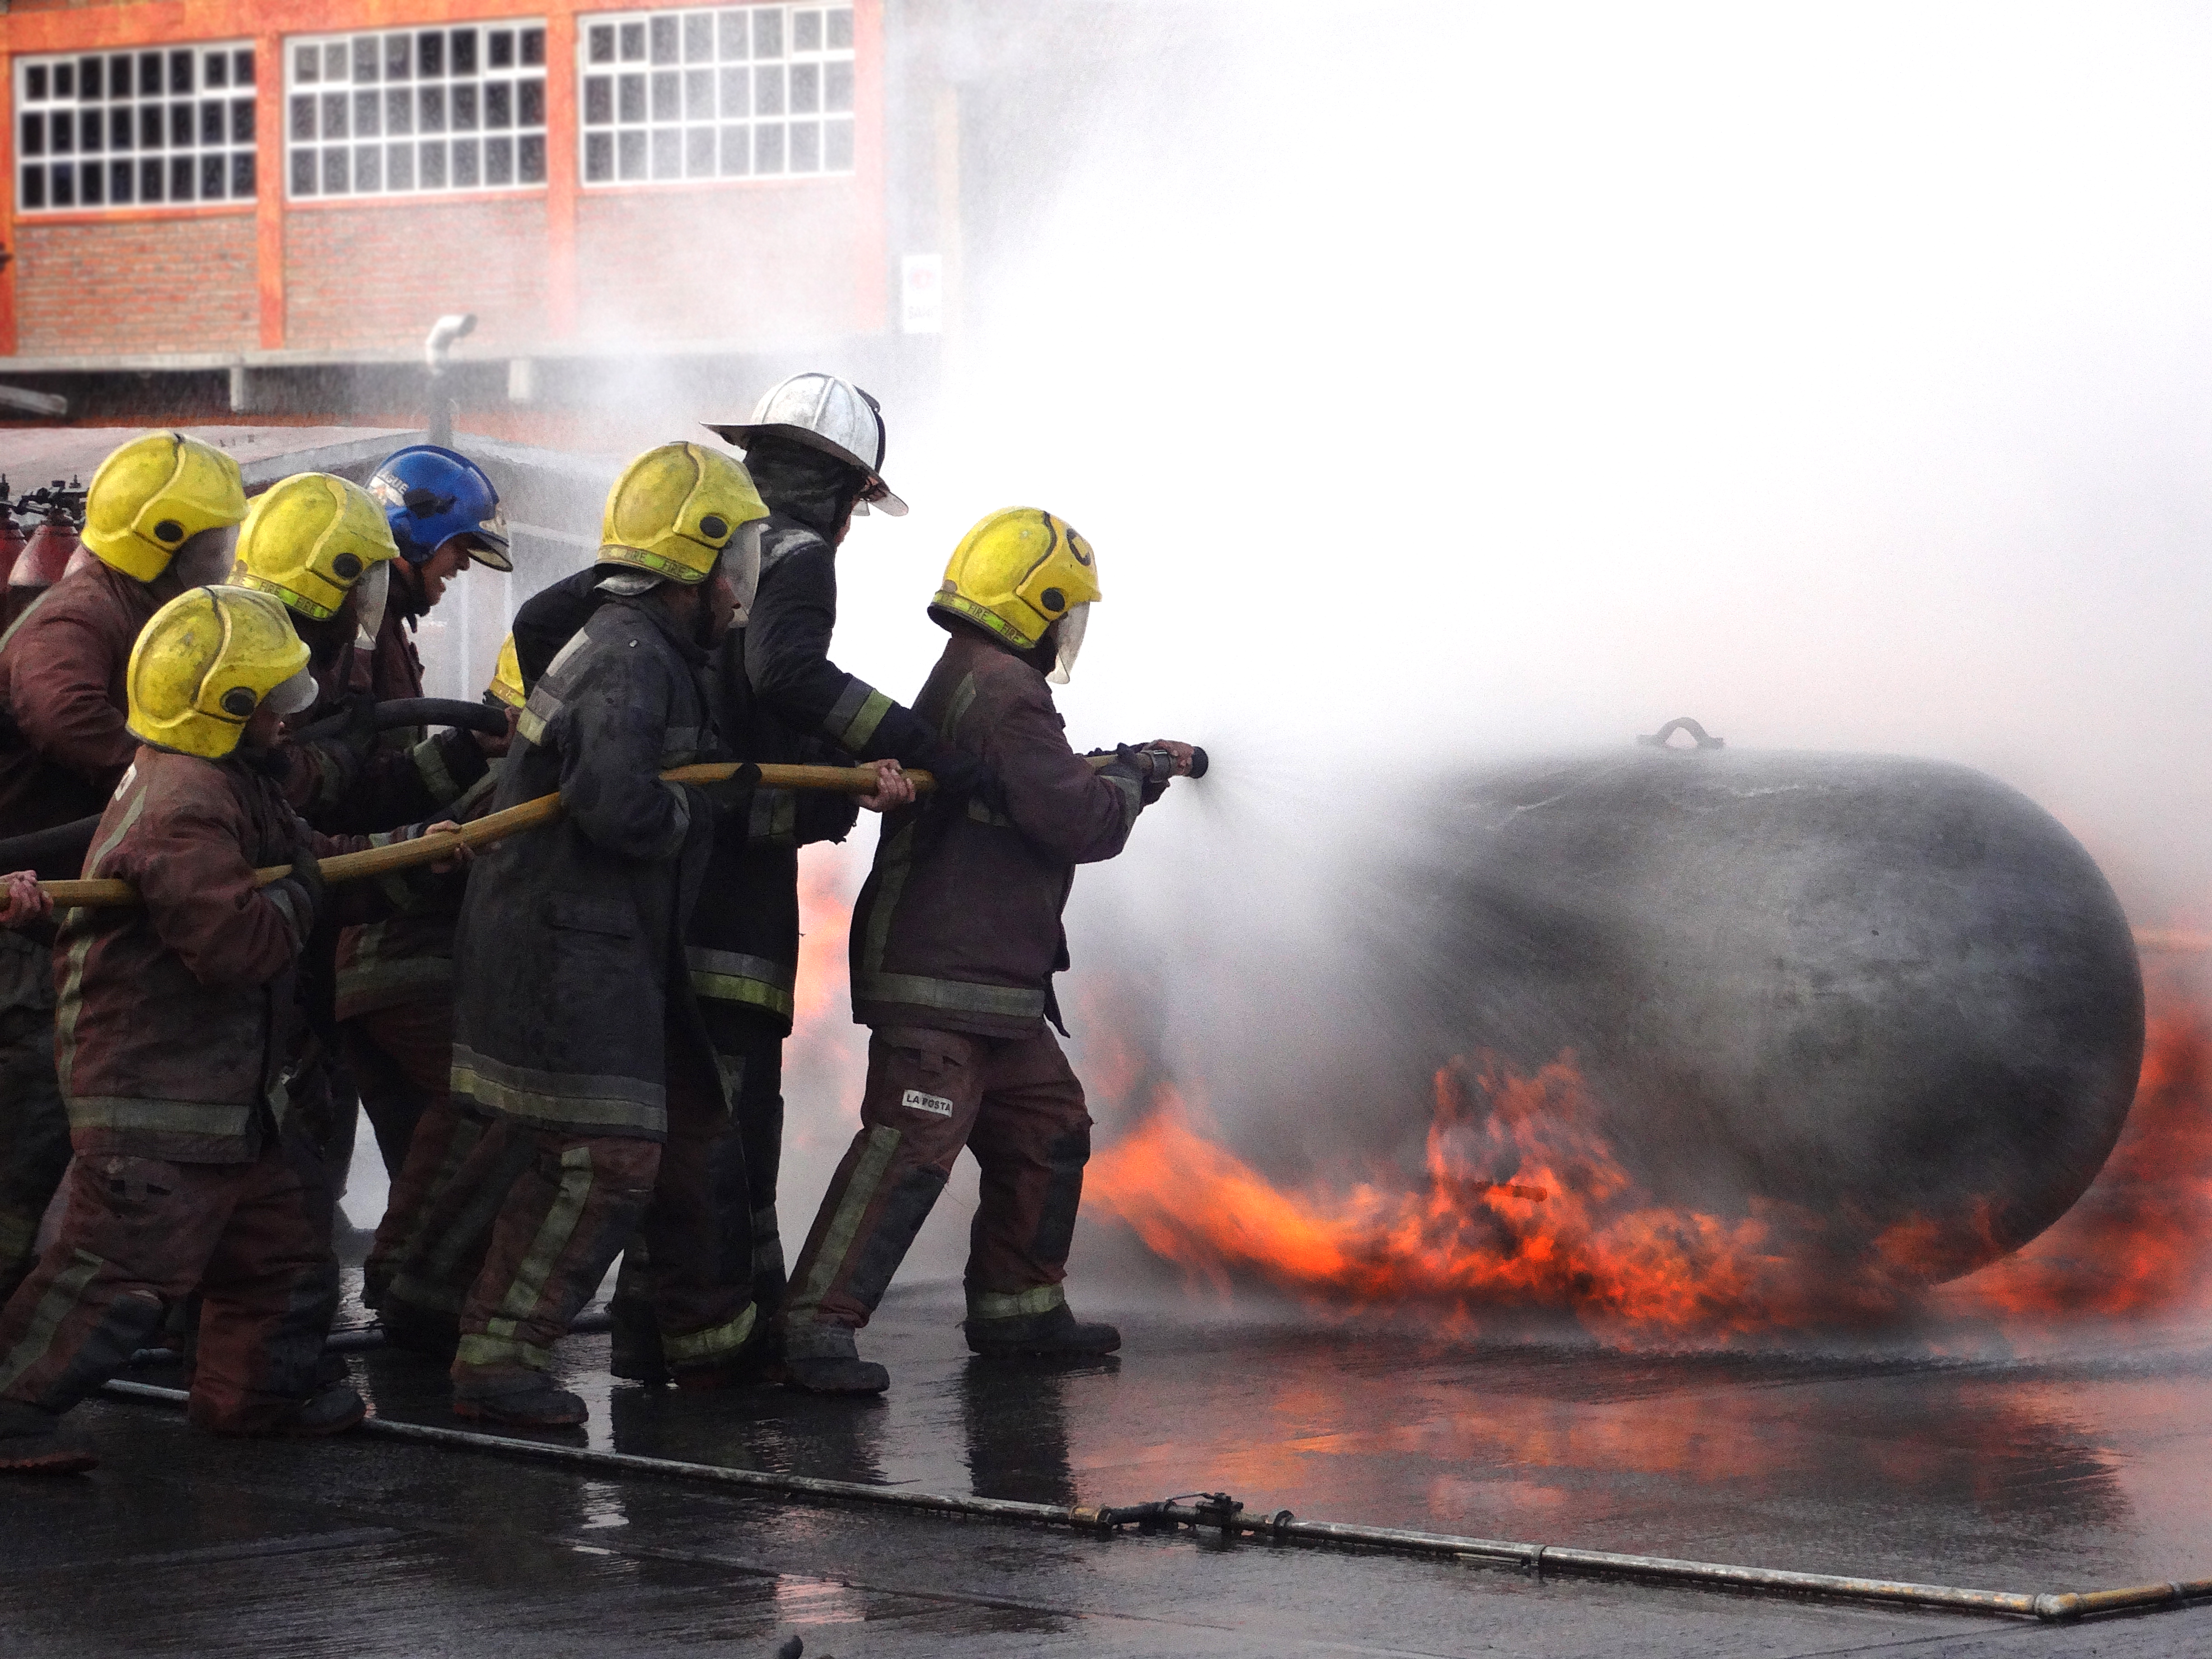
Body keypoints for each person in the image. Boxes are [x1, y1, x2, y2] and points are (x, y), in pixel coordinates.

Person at [0, 585, 459, 1473]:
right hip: (156, 1095)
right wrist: (299, 891)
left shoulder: (226, 782)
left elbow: (311, 871)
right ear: (227, 708)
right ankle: (7, 1409)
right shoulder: (182, 804)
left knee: (278, 1253)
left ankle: (257, 1395)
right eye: (271, 703)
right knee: (118, 1276)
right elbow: (236, 942)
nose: (289, 721)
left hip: (224, 1098)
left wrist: (418, 860)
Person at [778, 506, 1195, 1394]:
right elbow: (1075, 819)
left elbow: (1029, 781)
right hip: (945, 976)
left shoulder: (980, 681)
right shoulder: (1006, 687)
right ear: (1038, 607)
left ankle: (1020, 1310)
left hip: (990, 983)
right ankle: (813, 1328)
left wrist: (1111, 764)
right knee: (911, 1146)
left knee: (1047, 1128)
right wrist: (1132, 778)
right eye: (1064, 611)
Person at [437, 442, 785, 1426]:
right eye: (737, 560)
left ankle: (707, 1348)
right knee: (607, 1157)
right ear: (698, 561)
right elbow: (613, 801)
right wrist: (697, 818)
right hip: (569, 946)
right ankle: (498, 1358)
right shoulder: (634, 656)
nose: (741, 585)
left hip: (611, 947)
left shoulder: (643, 646)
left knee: (691, 1130)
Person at [0, 431, 247, 1304]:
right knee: (26, 1145)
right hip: (27, 922)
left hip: (70, 911)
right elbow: (61, 710)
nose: (224, 560)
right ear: (164, 538)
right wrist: (171, 774)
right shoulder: (81, 616)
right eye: (213, 543)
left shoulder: (139, 612)